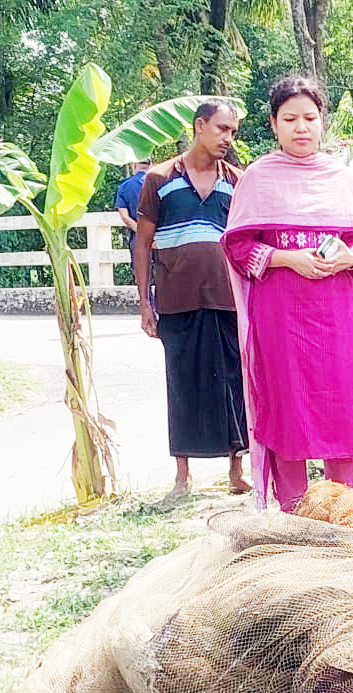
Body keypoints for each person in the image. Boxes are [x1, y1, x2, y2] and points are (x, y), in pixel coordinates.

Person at [222, 77, 353, 510]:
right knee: (288, 410)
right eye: (290, 119)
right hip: (280, 318)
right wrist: (287, 259)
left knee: (339, 407)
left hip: (336, 317)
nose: (301, 127)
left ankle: (346, 510)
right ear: (273, 124)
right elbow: (238, 248)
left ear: (323, 122)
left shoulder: (340, 178)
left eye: (310, 118)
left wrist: (347, 259)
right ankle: (295, 515)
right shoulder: (258, 178)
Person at [134, 101, 249, 496]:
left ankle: (237, 470)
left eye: (232, 131)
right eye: (221, 129)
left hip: (228, 299)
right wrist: (144, 302)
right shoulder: (159, 179)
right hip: (175, 298)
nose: (228, 139)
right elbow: (143, 241)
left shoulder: (238, 181)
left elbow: (247, 241)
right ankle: (182, 474)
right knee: (180, 382)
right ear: (199, 126)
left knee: (234, 382)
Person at [114, 159, 151, 252]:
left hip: (138, 237)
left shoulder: (124, 186)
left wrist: (142, 233)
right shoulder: (161, 183)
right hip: (160, 237)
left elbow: (125, 217)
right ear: (151, 165)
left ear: (134, 165)